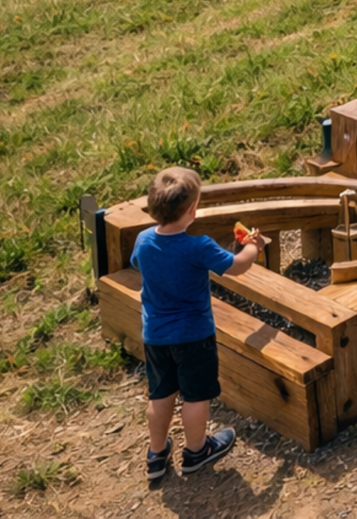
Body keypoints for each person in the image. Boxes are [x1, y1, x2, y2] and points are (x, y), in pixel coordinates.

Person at [134, 166, 269, 481]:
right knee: (195, 396)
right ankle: (197, 451)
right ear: (193, 210)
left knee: (161, 393)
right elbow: (236, 267)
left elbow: (143, 265)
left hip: (155, 335)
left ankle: (156, 453)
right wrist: (253, 246)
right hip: (193, 336)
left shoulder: (143, 241)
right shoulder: (199, 247)